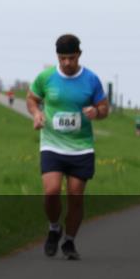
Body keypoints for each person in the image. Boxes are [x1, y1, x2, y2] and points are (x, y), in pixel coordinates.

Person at [26, 34, 109, 261]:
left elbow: (104, 108)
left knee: (75, 197)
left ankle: (70, 241)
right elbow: (31, 99)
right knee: (51, 191)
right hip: (52, 144)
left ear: (79, 55)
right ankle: (54, 228)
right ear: (57, 57)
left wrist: (96, 112)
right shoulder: (46, 77)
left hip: (81, 147)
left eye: (71, 58)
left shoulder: (91, 80)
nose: (67, 63)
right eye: (62, 58)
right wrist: (36, 114)